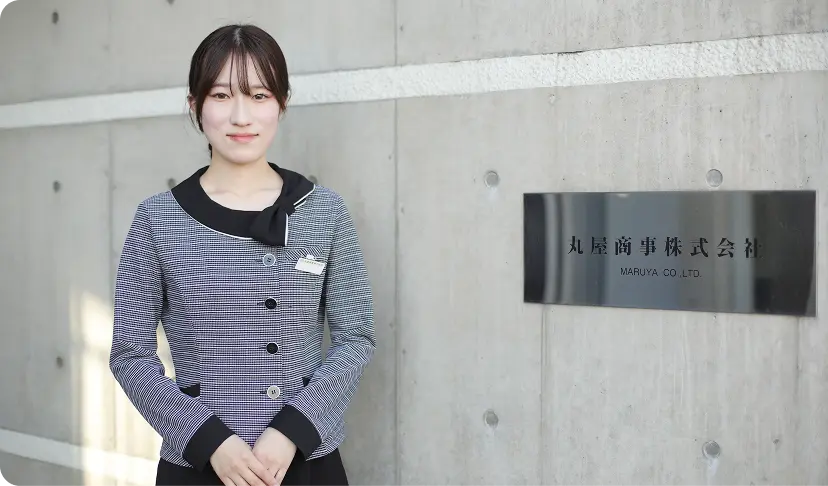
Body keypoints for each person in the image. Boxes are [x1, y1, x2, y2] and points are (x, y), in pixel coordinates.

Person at [109, 24, 376, 486]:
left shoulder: (324, 211)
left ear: (281, 104)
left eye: (258, 95)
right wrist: (209, 440)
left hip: (305, 462)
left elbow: (356, 338)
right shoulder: (157, 219)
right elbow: (130, 356)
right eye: (220, 95)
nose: (240, 116)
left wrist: (292, 431)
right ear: (195, 106)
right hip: (199, 464)